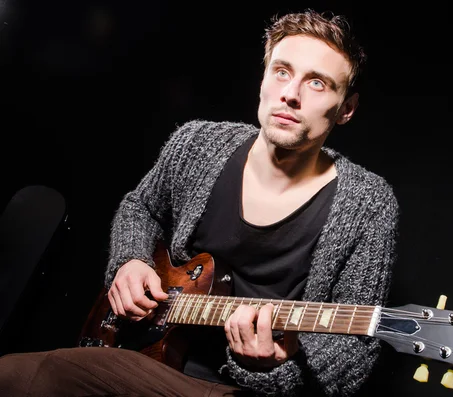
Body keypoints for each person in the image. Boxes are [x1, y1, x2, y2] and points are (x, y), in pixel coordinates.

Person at [0, 8, 401, 397]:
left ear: (346, 108)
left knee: (42, 374)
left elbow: (354, 354)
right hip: (144, 357)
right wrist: (130, 260)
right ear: (263, 79)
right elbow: (141, 207)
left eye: (317, 83)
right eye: (282, 71)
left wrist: (275, 368)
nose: (290, 94)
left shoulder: (368, 203)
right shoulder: (198, 143)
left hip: (242, 389)